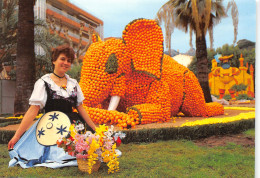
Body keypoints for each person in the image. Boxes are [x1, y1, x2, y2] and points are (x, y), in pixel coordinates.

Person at [8, 45, 96, 168]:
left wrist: (95, 128)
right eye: (63, 59)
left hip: (73, 125)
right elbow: (33, 110)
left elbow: (80, 108)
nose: (66, 63)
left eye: (69, 61)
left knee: (90, 150)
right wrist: (17, 136)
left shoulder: (74, 83)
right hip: (51, 126)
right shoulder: (44, 82)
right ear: (54, 60)